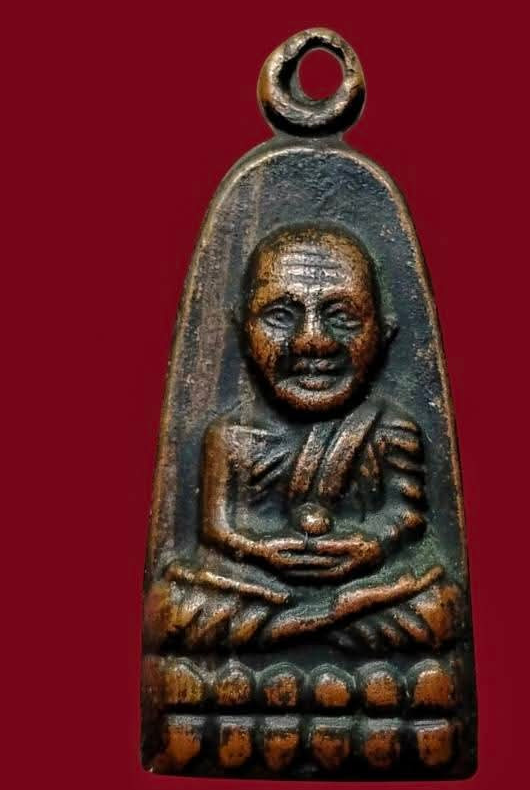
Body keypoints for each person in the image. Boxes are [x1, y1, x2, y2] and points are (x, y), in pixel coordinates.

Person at [144, 225, 461, 653]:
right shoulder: (230, 435)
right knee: (173, 606)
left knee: (439, 605)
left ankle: (298, 629)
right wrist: (262, 552)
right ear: (242, 330)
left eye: (341, 316)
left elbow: (406, 517)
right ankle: (323, 622)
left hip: (365, 587)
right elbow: (216, 530)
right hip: (259, 588)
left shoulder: (388, 428)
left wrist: (370, 547)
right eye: (280, 315)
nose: (313, 340)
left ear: (384, 332)